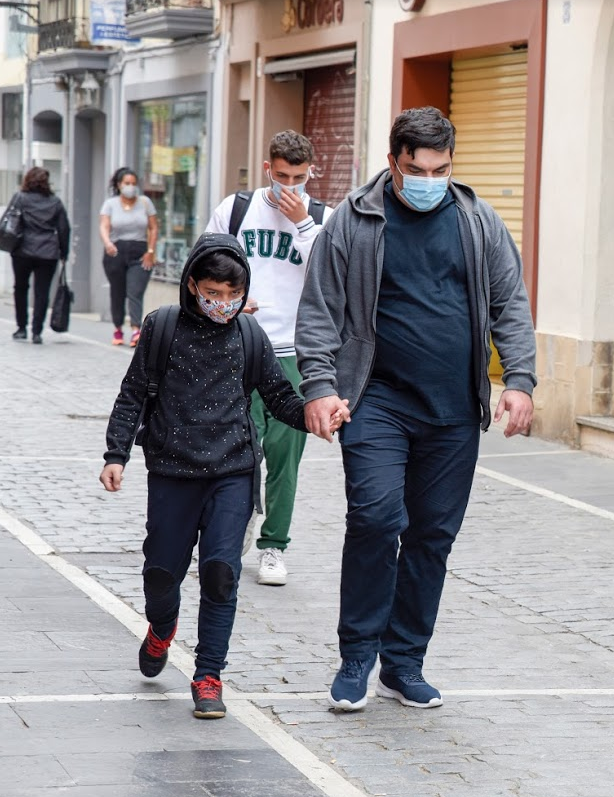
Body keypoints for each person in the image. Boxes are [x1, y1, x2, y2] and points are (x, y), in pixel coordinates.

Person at [296, 107, 537, 713]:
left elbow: (509, 301)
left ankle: (403, 663)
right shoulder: (354, 220)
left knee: (432, 537)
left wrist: (519, 379)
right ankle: (357, 655)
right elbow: (320, 309)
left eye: (440, 169)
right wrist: (319, 385)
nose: (429, 180)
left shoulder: (477, 220)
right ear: (393, 162)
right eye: (416, 169)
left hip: (454, 410)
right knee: (377, 519)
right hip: (375, 401)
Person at [99, 232, 346, 720]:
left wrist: (314, 414)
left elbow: (279, 396)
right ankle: (162, 628)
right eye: (214, 293)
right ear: (192, 285)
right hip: (171, 472)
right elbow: (133, 394)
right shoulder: (161, 327)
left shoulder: (250, 334)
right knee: (161, 574)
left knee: (220, 573)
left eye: (234, 294)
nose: (224, 303)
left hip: (233, 472)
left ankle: (208, 675)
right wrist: (115, 454)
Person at [206, 130, 332, 586]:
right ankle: (234, 528)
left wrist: (303, 224)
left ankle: (274, 545)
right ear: (268, 170)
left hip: (295, 355)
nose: (290, 186)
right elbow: (204, 265)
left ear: (311, 172)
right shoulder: (237, 209)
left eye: (298, 178)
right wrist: (231, 302)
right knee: (235, 450)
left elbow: (333, 276)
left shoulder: (323, 218)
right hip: (239, 346)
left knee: (284, 456)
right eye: (282, 176)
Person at [8, 167, 69, 345]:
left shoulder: (20, 198)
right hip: (47, 252)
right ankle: (37, 331)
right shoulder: (55, 202)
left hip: (22, 250)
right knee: (42, 292)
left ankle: (21, 328)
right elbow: (64, 229)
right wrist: (63, 252)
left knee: (20, 288)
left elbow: (9, 220)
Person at [99, 167, 159, 347]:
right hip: (115, 252)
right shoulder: (110, 204)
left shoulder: (145, 202)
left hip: (140, 252)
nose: (131, 187)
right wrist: (107, 243)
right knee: (117, 291)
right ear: (119, 185)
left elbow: (154, 228)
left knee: (135, 291)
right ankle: (118, 328)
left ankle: (136, 329)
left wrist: (150, 251)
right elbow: (104, 226)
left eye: (133, 183)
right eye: (127, 183)